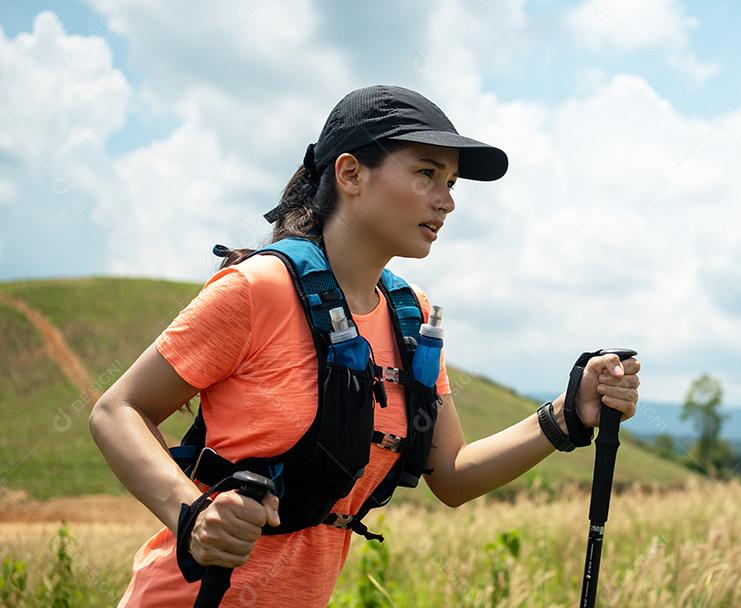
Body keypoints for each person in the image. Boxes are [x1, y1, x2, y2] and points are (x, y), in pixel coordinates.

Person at [89, 85, 641, 607]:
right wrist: (192, 514)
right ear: (351, 174)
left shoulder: (412, 318)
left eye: (451, 183)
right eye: (427, 173)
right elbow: (118, 410)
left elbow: (450, 473)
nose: (446, 201)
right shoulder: (258, 290)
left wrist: (568, 415)